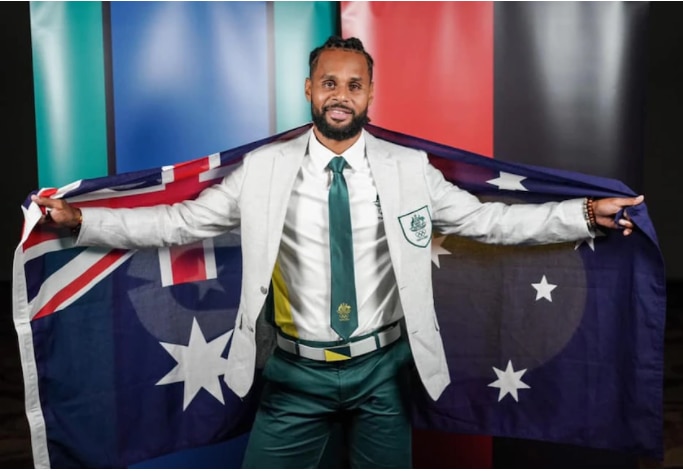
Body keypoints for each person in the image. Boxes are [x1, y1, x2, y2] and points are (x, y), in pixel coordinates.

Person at [31, 36, 644, 468]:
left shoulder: (409, 170)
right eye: (329, 82)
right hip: (294, 376)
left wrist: (584, 214)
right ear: (308, 89)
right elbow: (179, 222)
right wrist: (81, 219)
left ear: (371, 92)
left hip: (383, 373)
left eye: (354, 84)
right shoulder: (265, 171)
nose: (341, 94)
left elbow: (488, 222)